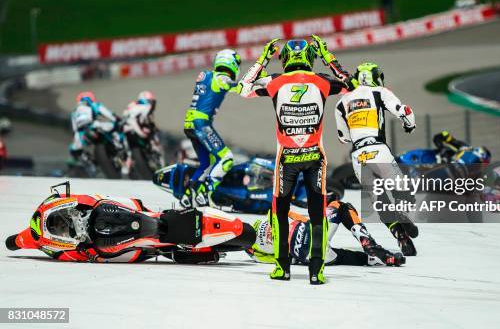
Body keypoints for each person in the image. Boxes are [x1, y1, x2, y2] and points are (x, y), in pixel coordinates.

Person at [238, 35, 350, 284]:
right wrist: (327, 55)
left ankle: (282, 269)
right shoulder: (322, 80)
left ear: (285, 59)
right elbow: (350, 84)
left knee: (279, 212)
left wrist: (262, 59)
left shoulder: (275, 81)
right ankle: (316, 272)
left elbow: (243, 88)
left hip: (286, 159)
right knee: (318, 212)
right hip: (316, 158)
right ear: (310, 58)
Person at [334, 62, 419, 256]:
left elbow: (343, 137)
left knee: (379, 200)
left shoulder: (341, 103)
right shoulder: (380, 91)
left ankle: (401, 237)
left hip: (358, 155)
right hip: (379, 149)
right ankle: (403, 215)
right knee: (403, 191)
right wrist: (410, 125)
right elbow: (404, 111)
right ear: (375, 77)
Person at [5, 189, 219, 264]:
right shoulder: (40, 242)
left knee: (142, 210)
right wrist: (13, 242)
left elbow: (15, 240)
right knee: (156, 252)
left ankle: (173, 217)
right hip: (100, 246)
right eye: (59, 228)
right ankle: (176, 251)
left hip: (110, 208)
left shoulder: (78, 203)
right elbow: (17, 241)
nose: (64, 225)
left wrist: (12, 242)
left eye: (61, 220)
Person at [247, 200, 405, 267]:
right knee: (340, 206)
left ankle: (381, 259)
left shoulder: (254, 253)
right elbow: (301, 218)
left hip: (310, 258)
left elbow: (271, 260)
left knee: (342, 256)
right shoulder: (271, 219)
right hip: (307, 238)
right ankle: (369, 245)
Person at [182, 49, 241, 208]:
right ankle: (205, 193)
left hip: (190, 123)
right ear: (231, 62)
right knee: (226, 158)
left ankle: (188, 197)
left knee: (206, 164)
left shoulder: (205, 75)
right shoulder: (222, 77)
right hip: (201, 124)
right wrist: (250, 85)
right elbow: (237, 87)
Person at [69, 91, 125, 173]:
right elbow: (109, 115)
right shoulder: (94, 105)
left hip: (81, 133)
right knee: (115, 126)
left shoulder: (74, 112)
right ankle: (119, 145)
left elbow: (74, 129)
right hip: (94, 125)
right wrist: (118, 119)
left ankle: (88, 162)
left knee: (74, 150)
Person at [122, 91, 163, 175]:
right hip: (134, 129)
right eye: (151, 102)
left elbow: (125, 116)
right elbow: (134, 120)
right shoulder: (145, 107)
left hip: (126, 129)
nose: (153, 104)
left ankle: (127, 162)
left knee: (126, 147)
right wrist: (141, 132)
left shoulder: (132, 105)